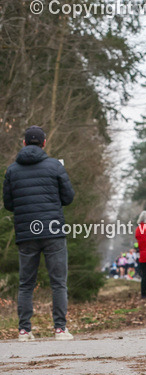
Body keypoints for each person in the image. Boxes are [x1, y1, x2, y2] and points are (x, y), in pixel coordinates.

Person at [2, 125, 75, 341]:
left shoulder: (12, 170)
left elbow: (8, 204)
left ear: (23, 143)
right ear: (44, 143)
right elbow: (68, 197)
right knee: (58, 282)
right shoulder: (55, 166)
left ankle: (24, 330)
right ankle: (60, 329)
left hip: (26, 233)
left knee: (26, 284)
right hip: (53, 232)